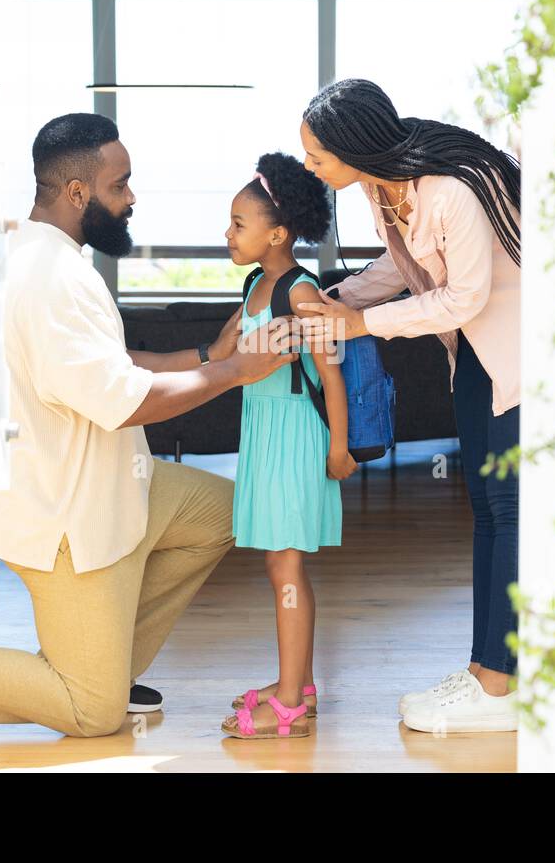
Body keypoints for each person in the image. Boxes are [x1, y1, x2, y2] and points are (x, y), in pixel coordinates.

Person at [0, 113, 299, 738]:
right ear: (76, 193)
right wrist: (235, 373)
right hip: (68, 519)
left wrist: (209, 355)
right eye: (120, 185)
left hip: (121, 483)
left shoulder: (55, 258)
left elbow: (116, 364)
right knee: (90, 714)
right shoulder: (49, 280)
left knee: (232, 512)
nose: (131, 199)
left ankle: (103, 661)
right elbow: (124, 401)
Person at [295, 79, 522, 733]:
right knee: (485, 507)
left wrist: (358, 327)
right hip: (475, 356)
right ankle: (484, 670)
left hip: (513, 352)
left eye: (316, 155)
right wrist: (341, 298)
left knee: (507, 509)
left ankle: (500, 686)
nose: (311, 166)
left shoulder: (448, 191)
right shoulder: (383, 190)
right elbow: (398, 268)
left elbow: (464, 297)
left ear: (349, 146)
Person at [218, 152, 354, 739]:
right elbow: (223, 353)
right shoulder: (255, 284)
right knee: (283, 565)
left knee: (287, 566)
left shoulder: (300, 292)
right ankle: (298, 682)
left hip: (296, 435)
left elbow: (332, 375)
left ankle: (291, 703)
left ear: (277, 233)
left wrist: (340, 450)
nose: (228, 233)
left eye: (238, 224)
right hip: (263, 434)